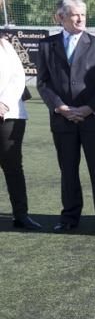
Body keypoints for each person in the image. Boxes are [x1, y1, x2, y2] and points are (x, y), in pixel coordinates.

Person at [35, 0, 95, 233]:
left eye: (83, 13)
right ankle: (69, 217)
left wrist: (87, 108)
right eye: (75, 14)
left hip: (92, 119)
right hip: (62, 121)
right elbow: (43, 83)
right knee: (68, 170)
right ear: (60, 17)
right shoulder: (46, 46)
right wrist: (61, 107)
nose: (81, 18)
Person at [0, 35, 40, 229]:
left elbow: (18, 78)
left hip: (9, 115)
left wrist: (4, 103)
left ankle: (21, 214)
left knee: (13, 166)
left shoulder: (6, 45)